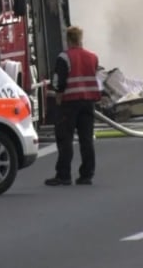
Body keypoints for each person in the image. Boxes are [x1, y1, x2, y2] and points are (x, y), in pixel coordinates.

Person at [45, 25, 102, 186]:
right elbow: (95, 77)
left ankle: (63, 175)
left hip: (69, 103)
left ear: (68, 40)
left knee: (65, 139)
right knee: (86, 139)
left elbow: (58, 81)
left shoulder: (64, 57)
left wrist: (58, 96)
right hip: (88, 103)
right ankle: (87, 175)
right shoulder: (93, 57)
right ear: (80, 39)